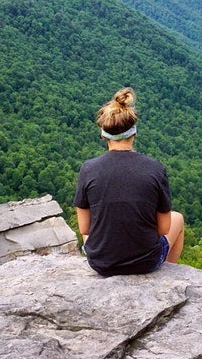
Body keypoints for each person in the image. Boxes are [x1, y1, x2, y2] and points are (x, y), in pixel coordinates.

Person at [73, 87, 185, 276]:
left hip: (101, 264)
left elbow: (85, 228)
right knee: (178, 219)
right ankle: (165, 274)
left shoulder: (88, 168)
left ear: (103, 135)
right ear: (134, 133)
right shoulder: (155, 168)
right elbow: (164, 228)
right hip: (145, 263)